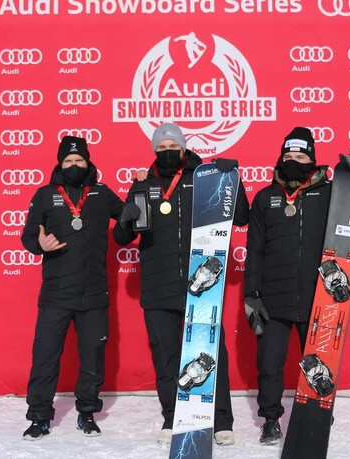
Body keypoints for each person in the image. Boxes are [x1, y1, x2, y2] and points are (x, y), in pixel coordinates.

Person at [113, 123, 249, 446]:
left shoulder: (206, 179)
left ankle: (221, 421)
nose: (167, 152)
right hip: (158, 288)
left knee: (211, 353)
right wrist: (125, 216)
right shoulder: (143, 185)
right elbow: (122, 237)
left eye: (173, 146)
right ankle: (172, 417)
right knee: (167, 357)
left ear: (185, 148)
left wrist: (233, 181)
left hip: (201, 285)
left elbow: (241, 216)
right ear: (154, 152)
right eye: (161, 148)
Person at [20, 136, 124, 440]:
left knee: (92, 357)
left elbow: (131, 218)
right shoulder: (45, 195)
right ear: (60, 163)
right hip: (56, 294)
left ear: (88, 162)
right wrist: (39, 245)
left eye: (80, 161)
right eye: (69, 161)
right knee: (45, 356)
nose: (75, 165)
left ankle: (87, 413)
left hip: (94, 294)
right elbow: (28, 237)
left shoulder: (102, 194)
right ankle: (39, 417)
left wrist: (143, 185)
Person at [243, 127, 332, 445]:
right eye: (289, 156)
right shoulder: (266, 198)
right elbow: (254, 249)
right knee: (269, 364)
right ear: (280, 159)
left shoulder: (330, 194)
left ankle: (319, 410)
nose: (294, 161)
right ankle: (270, 419)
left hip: (317, 296)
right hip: (272, 298)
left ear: (312, 160)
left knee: (320, 361)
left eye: (301, 156)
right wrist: (251, 293)